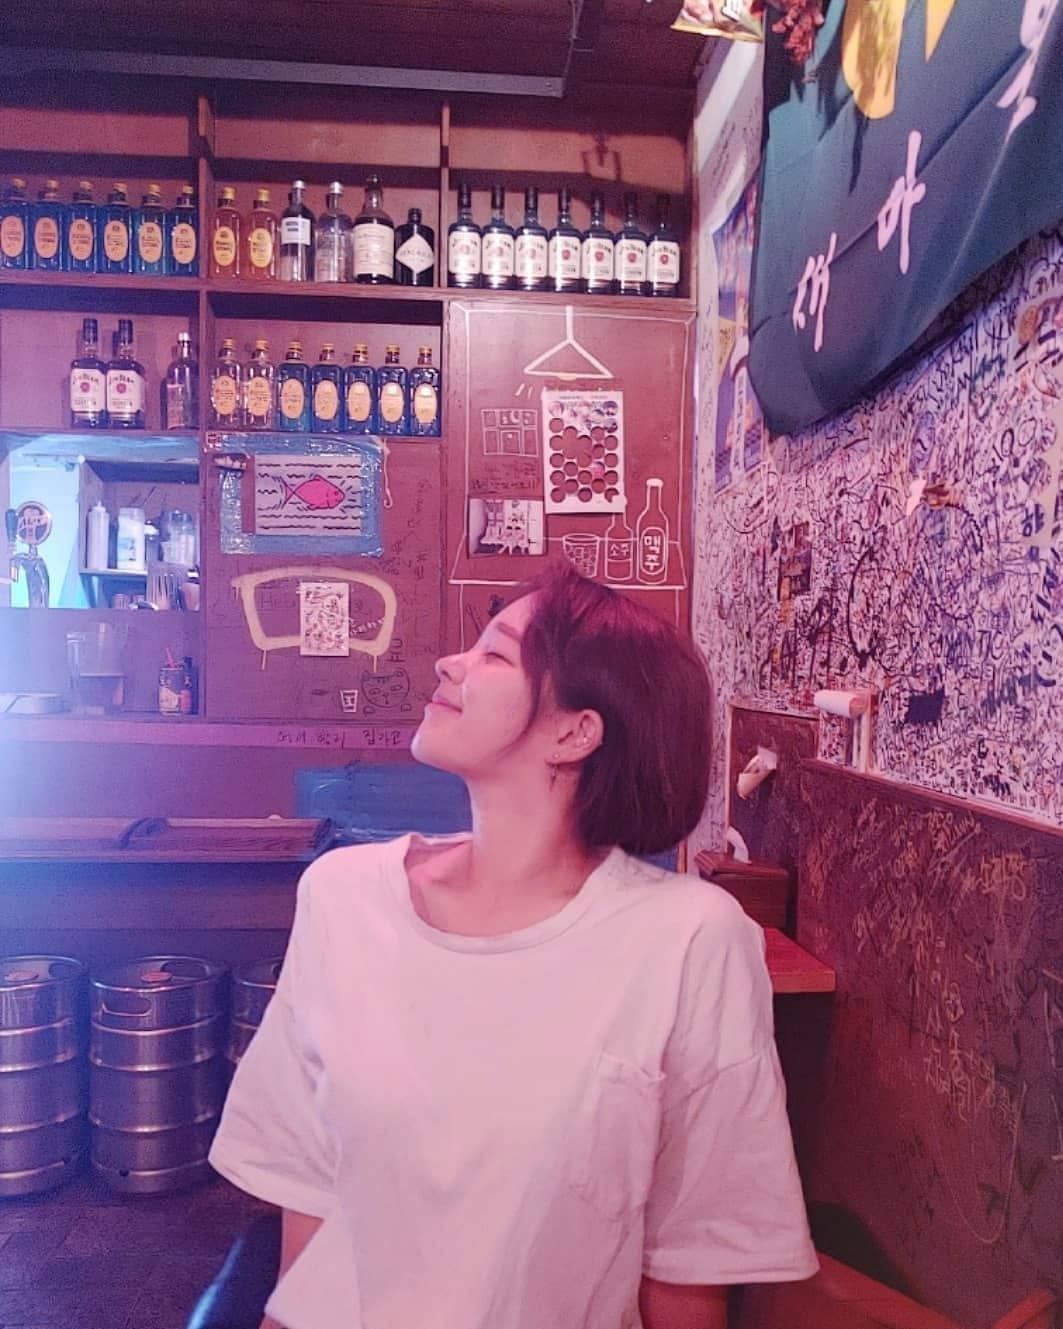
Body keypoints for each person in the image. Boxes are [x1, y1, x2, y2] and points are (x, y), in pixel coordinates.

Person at [209, 561, 818, 1329]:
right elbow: (309, 1187)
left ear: (574, 730)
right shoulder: (343, 895)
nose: (448, 662)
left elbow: (691, 1254)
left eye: (494, 653)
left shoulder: (690, 938)